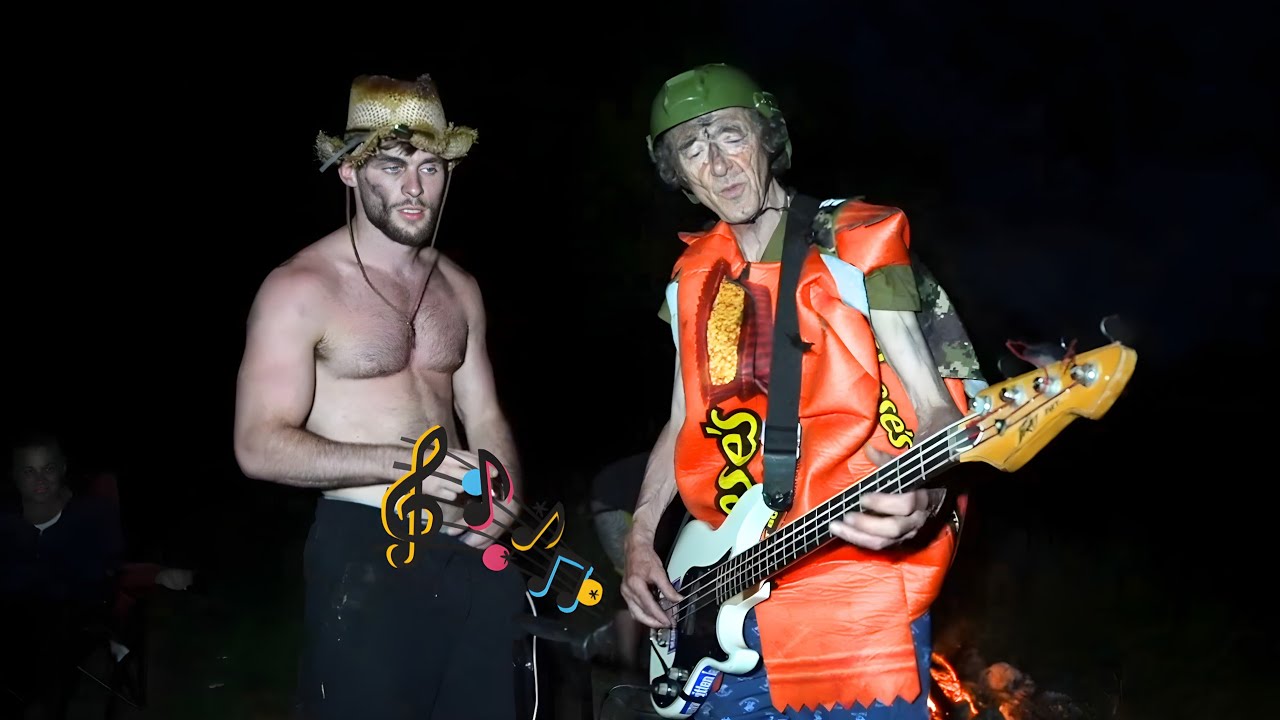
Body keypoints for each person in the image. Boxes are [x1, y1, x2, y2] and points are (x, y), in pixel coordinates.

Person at [621, 64, 989, 719]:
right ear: (677, 174)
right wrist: (642, 540)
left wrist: (929, 488)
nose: (718, 162)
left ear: (765, 138)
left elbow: (937, 405)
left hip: (852, 586)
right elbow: (684, 420)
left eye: (728, 134)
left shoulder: (855, 240)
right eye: (691, 149)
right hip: (722, 588)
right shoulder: (691, 279)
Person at [232, 73, 526, 720]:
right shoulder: (299, 288)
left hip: (471, 551)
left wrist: (502, 495)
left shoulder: (460, 287)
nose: (415, 188)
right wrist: (407, 463)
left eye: (430, 166)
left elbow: (483, 413)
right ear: (348, 173)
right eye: (392, 166)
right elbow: (258, 445)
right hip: (366, 551)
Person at [0, 431, 124, 719]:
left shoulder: (93, 513)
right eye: (29, 471)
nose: (40, 479)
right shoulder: (6, 521)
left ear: (63, 468)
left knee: (52, 634)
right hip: (18, 615)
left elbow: (103, 571)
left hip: (78, 615)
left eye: (49, 468)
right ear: (15, 476)